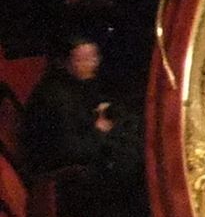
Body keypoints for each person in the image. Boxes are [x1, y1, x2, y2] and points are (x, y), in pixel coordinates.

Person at [21, 33, 135, 190]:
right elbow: (67, 150)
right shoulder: (54, 96)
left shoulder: (80, 83)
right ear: (63, 62)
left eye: (94, 57)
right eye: (83, 60)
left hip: (86, 154)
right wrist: (99, 129)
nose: (92, 64)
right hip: (65, 178)